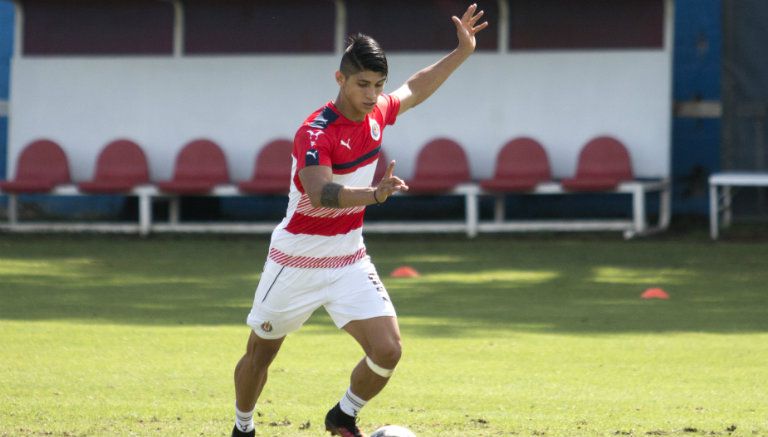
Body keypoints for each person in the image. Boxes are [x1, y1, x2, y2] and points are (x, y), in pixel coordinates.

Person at [232, 4, 488, 437]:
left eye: (377, 86)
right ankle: (243, 427)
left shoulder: (376, 113)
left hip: (348, 257)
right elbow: (321, 193)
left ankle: (342, 416)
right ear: (340, 79)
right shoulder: (315, 132)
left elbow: (415, 88)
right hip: (296, 259)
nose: (372, 95)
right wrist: (375, 194)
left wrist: (461, 51)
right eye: (362, 84)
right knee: (261, 352)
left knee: (388, 350)